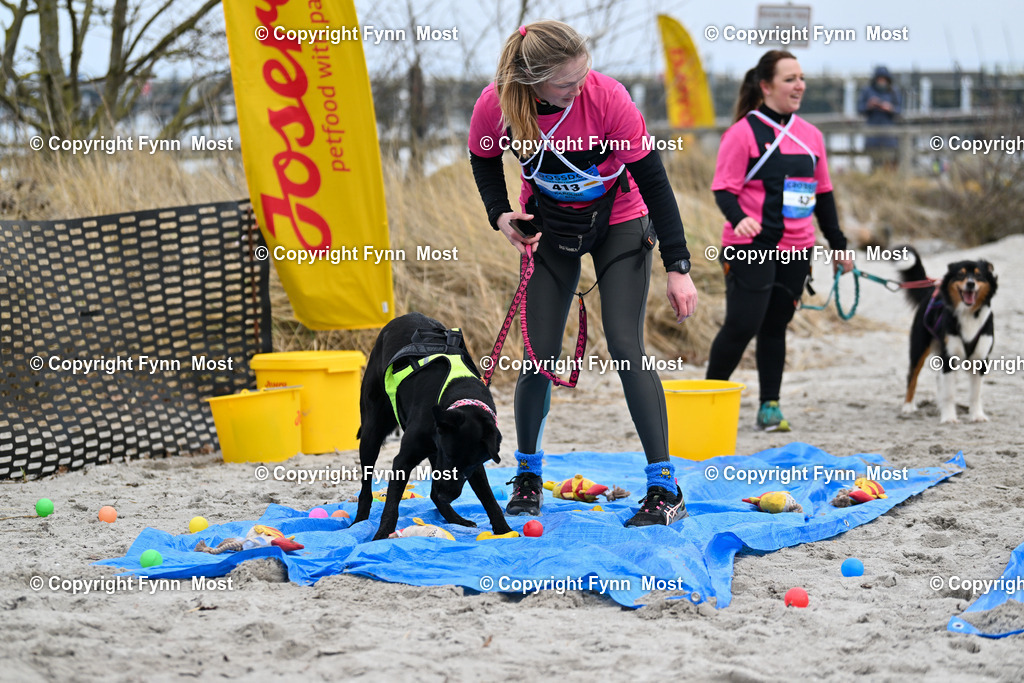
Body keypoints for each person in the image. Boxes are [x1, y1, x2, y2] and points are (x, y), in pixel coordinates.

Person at [467, 20, 698, 527]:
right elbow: (483, 160)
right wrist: (500, 214)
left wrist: (678, 266)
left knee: (624, 345)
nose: (580, 87)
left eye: (583, 76)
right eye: (567, 83)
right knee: (538, 356)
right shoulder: (497, 104)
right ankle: (528, 478)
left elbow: (655, 183)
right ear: (531, 81)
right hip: (549, 228)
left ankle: (664, 487)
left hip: (620, 223)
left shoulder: (608, 99)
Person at [707, 50, 852, 432]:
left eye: (801, 78)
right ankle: (707, 398)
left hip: (797, 249)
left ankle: (770, 406)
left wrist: (839, 246)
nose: (799, 85)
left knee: (775, 325)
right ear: (766, 86)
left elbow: (824, 195)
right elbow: (723, 189)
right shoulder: (742, 133)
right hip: (751, 248)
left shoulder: (811, 137)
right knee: (742, 324)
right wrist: (739, 220)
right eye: (790, 79)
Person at [857, 66, 902, 167]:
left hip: (889, 133)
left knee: (890, 160)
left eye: (883, 79)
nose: (881, 81)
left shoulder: (893, 91)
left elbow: (899, 110)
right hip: (873, 132)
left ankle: (888, 179)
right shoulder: (867, 91)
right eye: (879, 79)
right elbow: (860, 109)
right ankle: (877, 178)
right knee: (875, 160)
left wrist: (890, 108)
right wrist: (869, 106)